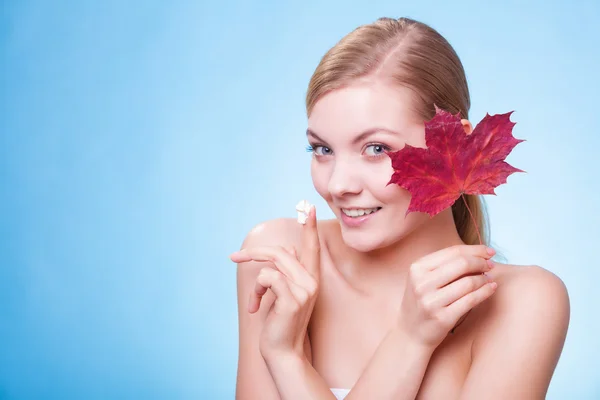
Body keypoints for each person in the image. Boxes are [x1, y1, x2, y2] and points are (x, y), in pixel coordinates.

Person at [231, 17, 570, 400]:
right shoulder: (279, 262)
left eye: (377, 149)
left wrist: (408, 340)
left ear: (452, 146)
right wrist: (284, 354)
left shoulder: (523, 302)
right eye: (322, 149)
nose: (339, 184)